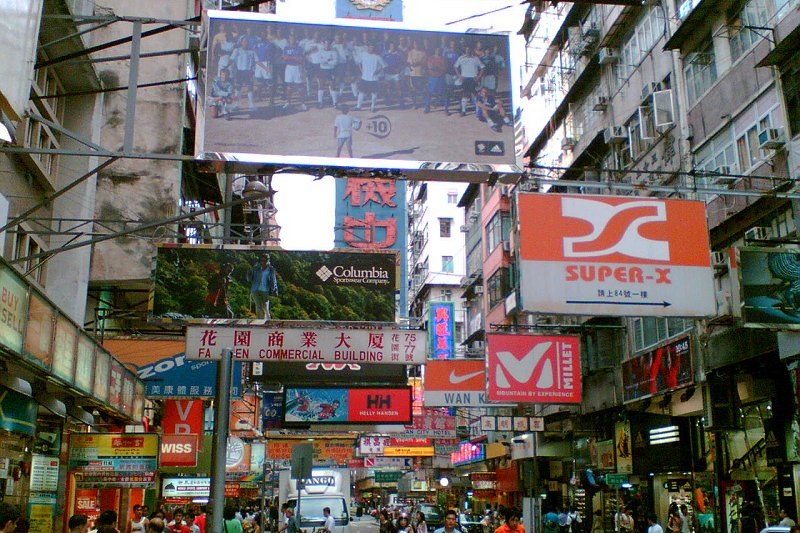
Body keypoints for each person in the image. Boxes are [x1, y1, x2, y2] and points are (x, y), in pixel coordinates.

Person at [247, 253, 279, 319]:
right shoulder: (256, 268)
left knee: (265, 306)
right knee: (259, 306)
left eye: (265, 261)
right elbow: (249, 279)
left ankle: (266, 319)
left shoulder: (271, 269)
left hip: (265, 290)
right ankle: (260, 321)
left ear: (268, 261)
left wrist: (274, 290)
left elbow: (273, 280)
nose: (263, 262)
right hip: (255, 290)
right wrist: (249, 273)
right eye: (262, 260)